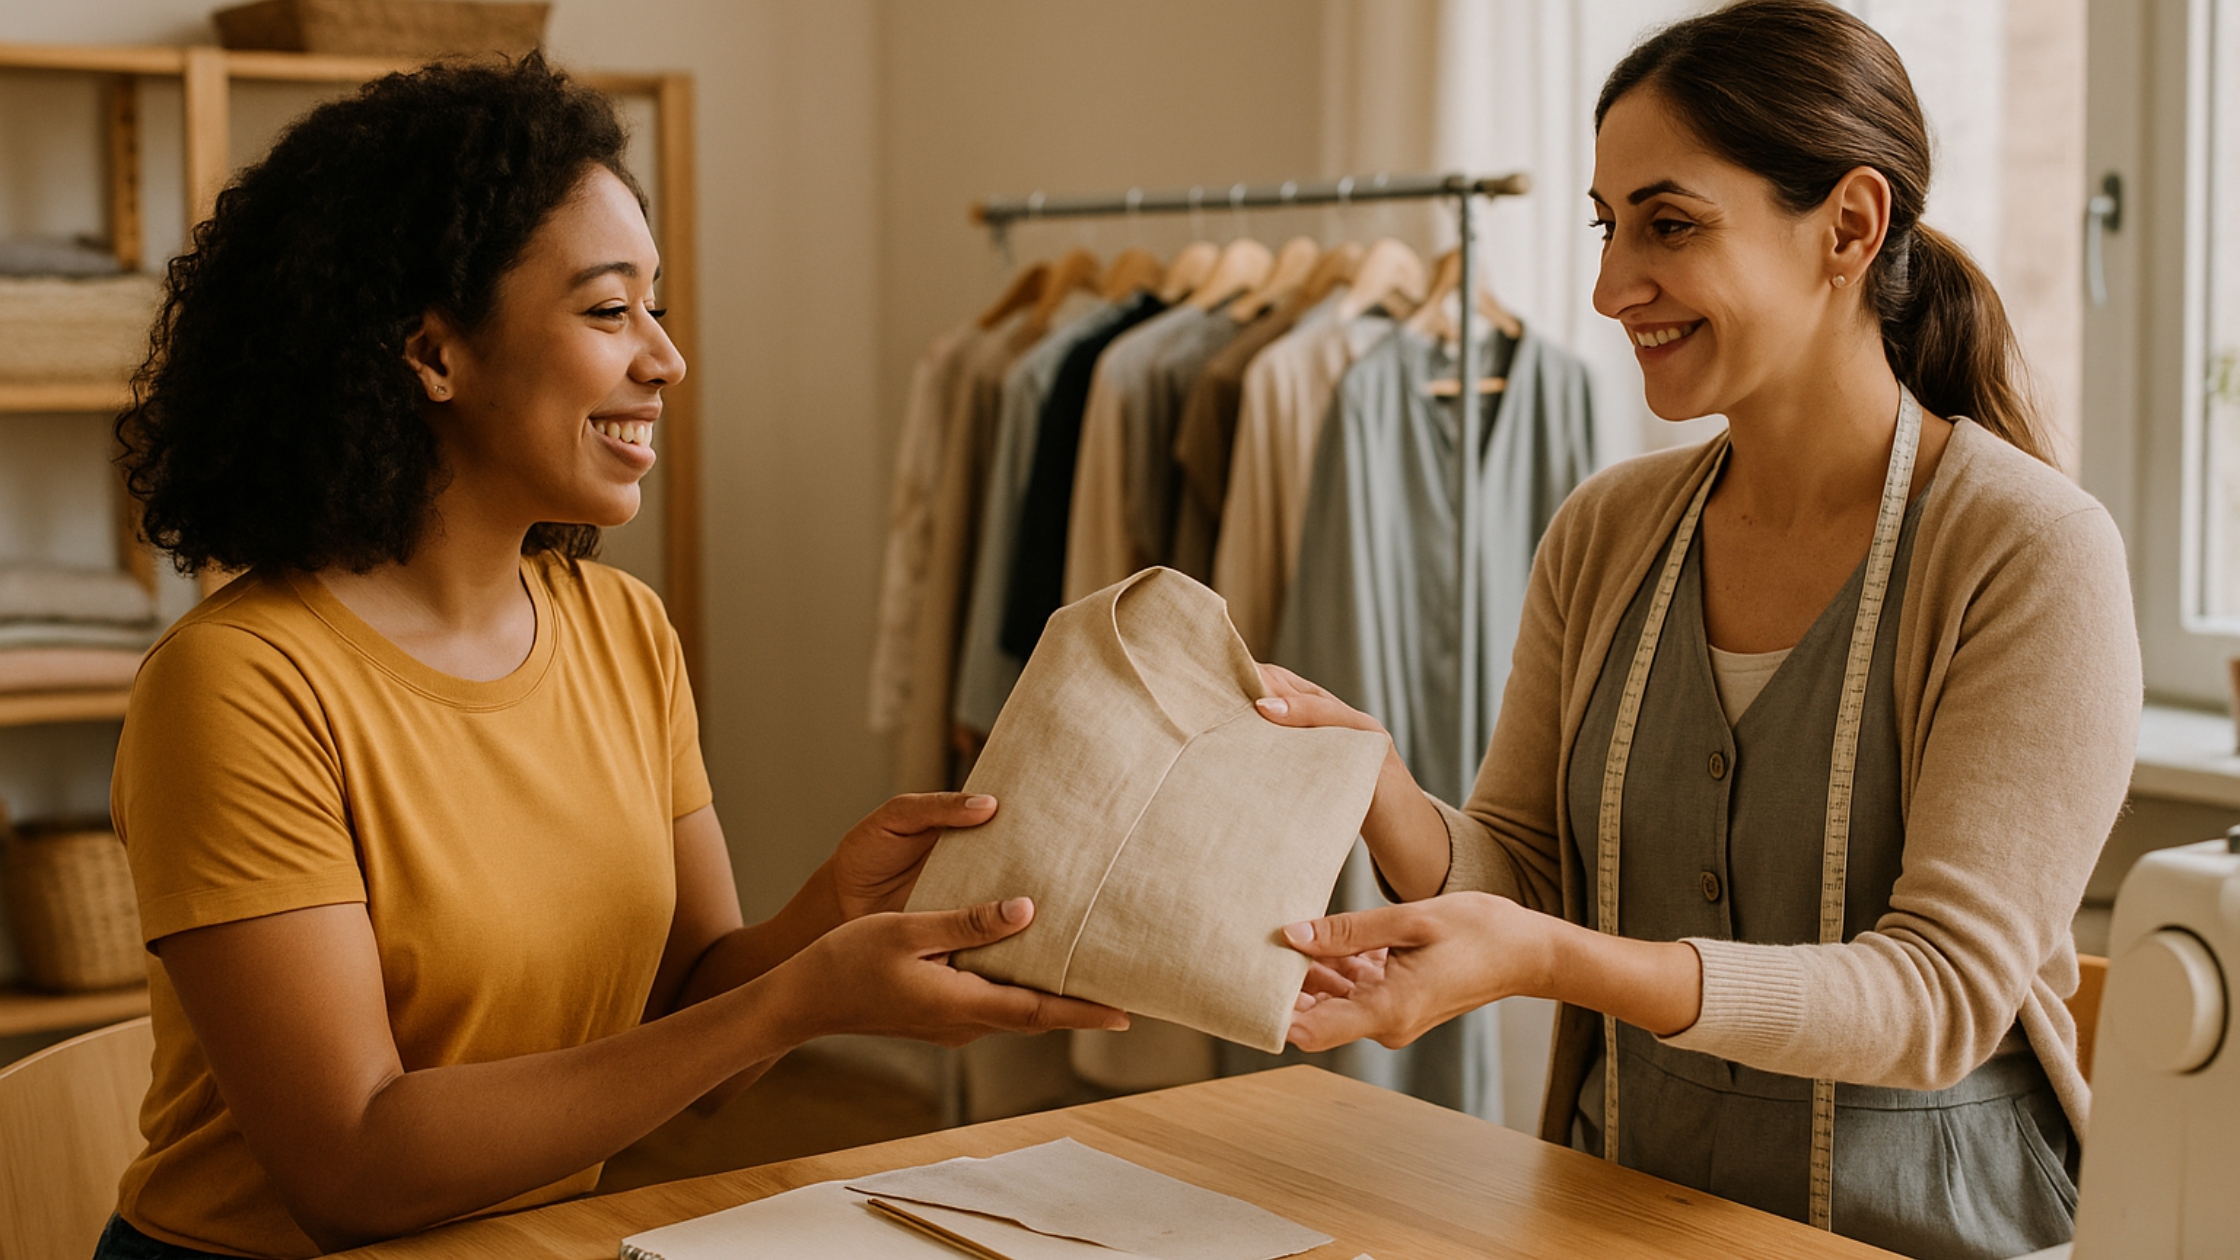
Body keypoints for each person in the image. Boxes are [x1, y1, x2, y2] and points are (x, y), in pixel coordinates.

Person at [99, 56, 1124, 1260]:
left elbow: (690, 1043)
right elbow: (353, 1166)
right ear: (432, 354)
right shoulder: (239, 689)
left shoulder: (620, 629)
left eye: (657, 307)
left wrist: (824, 919)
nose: (663, 359)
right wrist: (803, 999)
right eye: (604, 310)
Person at [1253, 3, 2138, 1257]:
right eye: (1607, 226)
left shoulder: (2028, 552)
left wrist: (1553, 961)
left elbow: (1937, 994)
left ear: (1848, 224)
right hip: (1619, 1210)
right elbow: (1523, 873)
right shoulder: (1605, 531)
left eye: (1668, 224)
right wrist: (1370, 780)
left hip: (1925, 1234)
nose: (1611, 287)